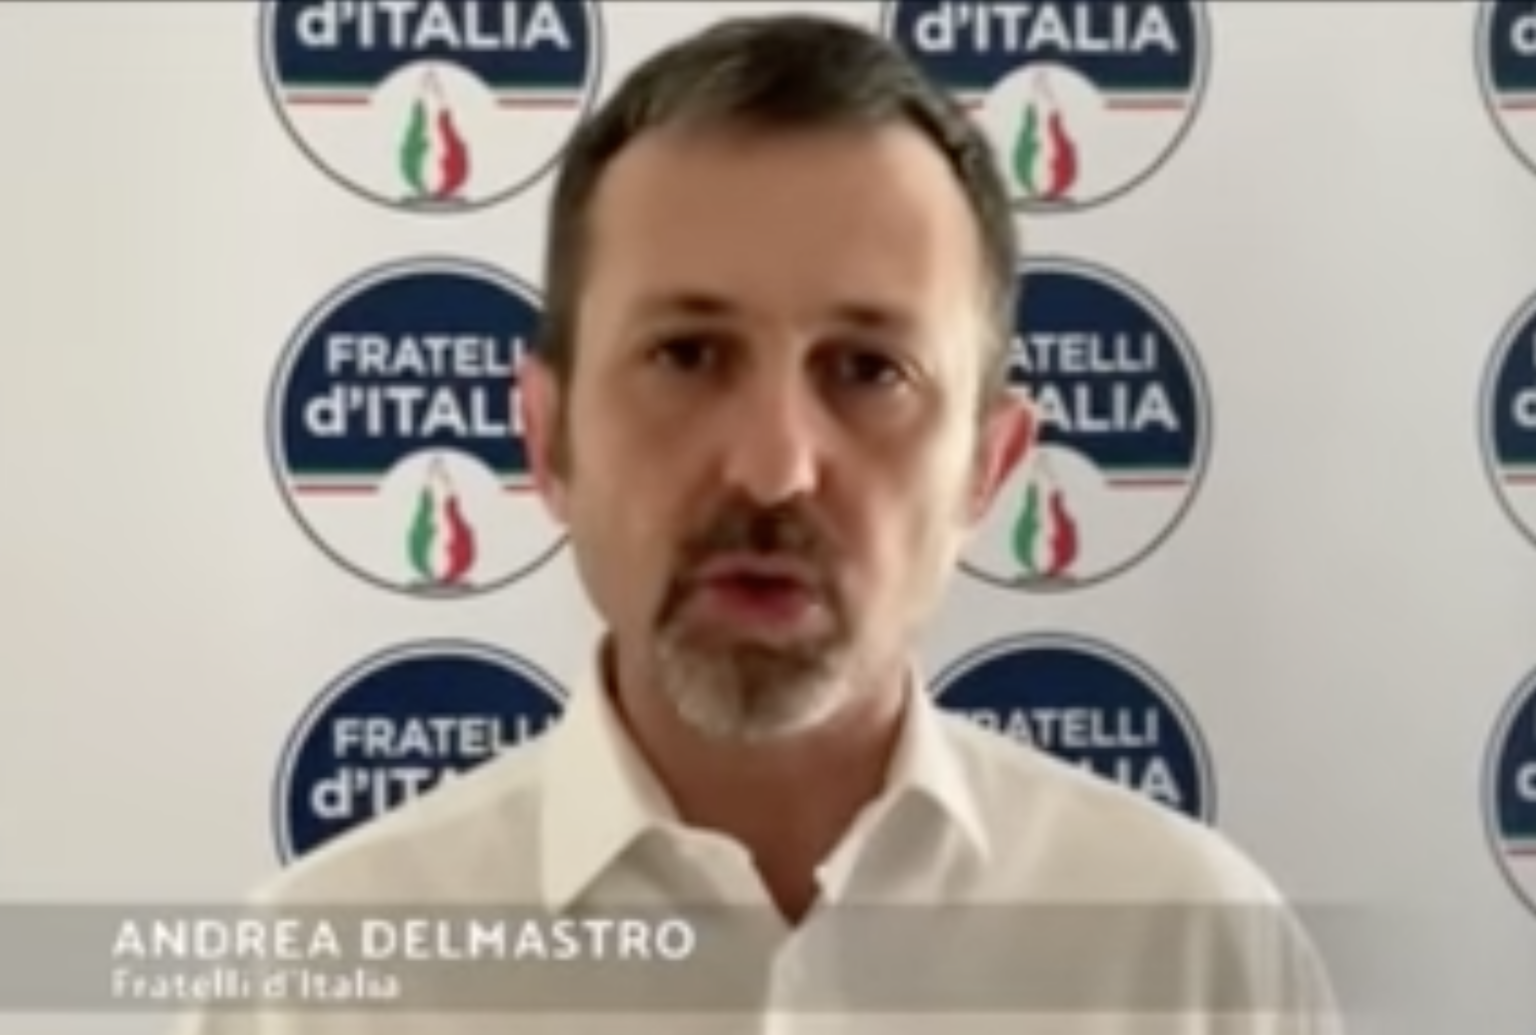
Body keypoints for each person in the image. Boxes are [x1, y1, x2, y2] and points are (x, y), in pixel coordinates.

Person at [176, 13, 1342, 1034]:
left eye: (869, 370)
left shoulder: (1194, 958)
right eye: (688, 355)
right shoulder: (309, 988)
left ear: (988, 468)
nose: (775, 470)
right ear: (546, 436)